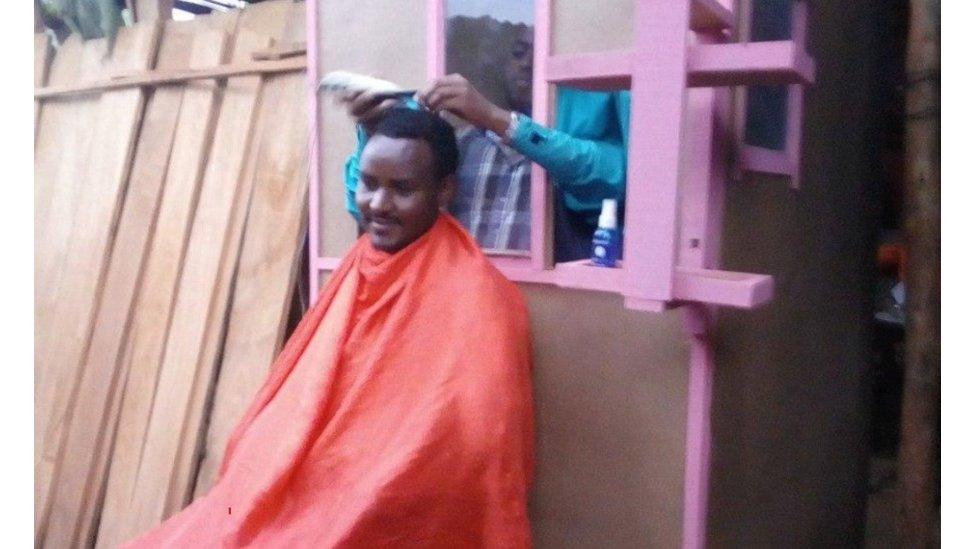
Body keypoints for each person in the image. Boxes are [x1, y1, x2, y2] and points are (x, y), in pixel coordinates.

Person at [125, 108, 535, 548]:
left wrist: (366, 484)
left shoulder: (478, 295)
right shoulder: (361, 262)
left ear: (444, 191)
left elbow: (478, 450)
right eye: (369, 183)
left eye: (402, 189)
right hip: (313, 481)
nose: (377, 204)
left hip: (387, 500)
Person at [342, 27, 630, 261]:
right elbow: (369, 211)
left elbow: (610, 180)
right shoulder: (460, 147)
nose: (528, 62)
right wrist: (372, 129)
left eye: (541, 52)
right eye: (518, 53)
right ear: (499, 66)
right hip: (456, 301)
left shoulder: (560, 151)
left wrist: (495, 118)